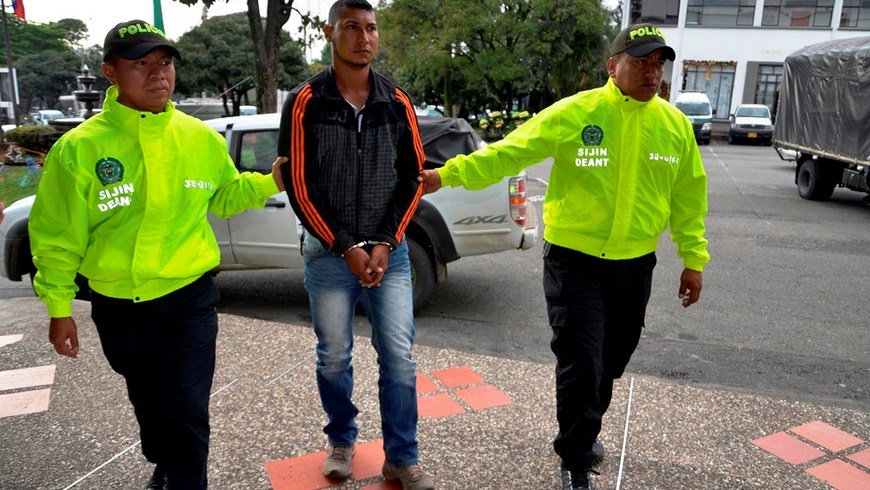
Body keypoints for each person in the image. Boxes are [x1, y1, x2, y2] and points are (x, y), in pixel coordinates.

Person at [419, 24, 710, 490]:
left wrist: (693, 259)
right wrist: (446, 176)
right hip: (575, 262)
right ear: (613, 65)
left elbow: (689, 199)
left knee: (612, 360)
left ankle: (584, 426)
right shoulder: (576, 112)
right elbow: (508, 152)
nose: (652, 73)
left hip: (635, 264)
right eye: (641, 62)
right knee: (582, 361)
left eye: (659, 65)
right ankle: (576, 457)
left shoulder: (673, 126)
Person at [29, 20, 284, 490]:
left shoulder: (199, 138)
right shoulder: (79, 150)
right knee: (149, 403)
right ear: (110, 71)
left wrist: (271, 181)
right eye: (140, 64)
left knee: (188, 406)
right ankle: (163, 457)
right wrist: (58, 308)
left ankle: (184, 479)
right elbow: (56, 238)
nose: (156, 74)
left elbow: (223, 197)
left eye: (164, 63)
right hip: (118, 305)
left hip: (189, 298)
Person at [276, 2, 435, 489]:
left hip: (392, 254)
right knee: (334, 355)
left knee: (400, 357)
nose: (363, 37)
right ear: (330, 33)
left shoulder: (397, 101)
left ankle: (401, 457)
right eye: (352, 27)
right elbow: (300, 185)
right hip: (327, 255)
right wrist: (345, 246)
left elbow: (413, 179)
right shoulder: (306, 100)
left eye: (370, 28)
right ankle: (342, 439)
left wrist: (386, 241)